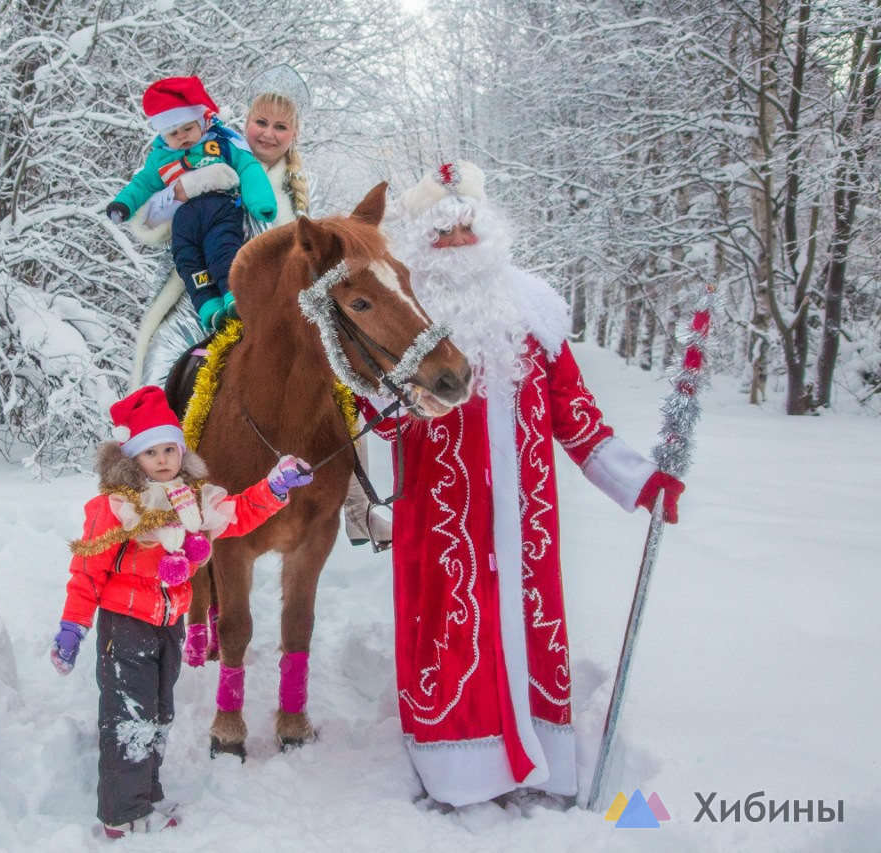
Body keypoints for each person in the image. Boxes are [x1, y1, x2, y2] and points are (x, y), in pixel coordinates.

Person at [366, 162, 686, 809]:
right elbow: (372, 408)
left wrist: (640, 482)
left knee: (525, 631)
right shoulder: (405, 314)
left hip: (523, 522)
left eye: (465, 229)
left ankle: (538, 758)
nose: (457, 242)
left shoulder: (532, 309)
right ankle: (458, 773)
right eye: (442, 233)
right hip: (442, 520)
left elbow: (574, 411)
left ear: (487, 232)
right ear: (421, 243)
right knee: (451, 637)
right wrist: (400, 406)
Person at [123, 66, 390, 554]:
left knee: (335, 386)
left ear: (294, 135)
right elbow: (145, 221)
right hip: (199, 298)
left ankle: (359, 506)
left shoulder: (294, 191)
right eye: (260, 122)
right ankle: (154, 513)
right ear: (244, 121)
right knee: (157, 387)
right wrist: (186, 188)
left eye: (280, 127)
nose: (268, 134)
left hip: (271, 312)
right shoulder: (201, 149)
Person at [49, 385, 311, 838]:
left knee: (156, 713)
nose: (164, 459)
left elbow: (239, 512)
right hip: (124, 627)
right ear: (132, 459)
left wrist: (274, 485)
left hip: (168, 625)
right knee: (127, 719)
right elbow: (86, 571)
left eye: (170, 448)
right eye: (152, 452)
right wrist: (73, 627)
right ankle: (120, 815)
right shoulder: (115, 508)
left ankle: (145, 795)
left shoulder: (193, 501)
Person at [106, 76, 278, 334]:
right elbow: (142, 185)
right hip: (183, 220)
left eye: (188, 128)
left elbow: (248, 167)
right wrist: (123, 205)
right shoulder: (160, 159)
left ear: (201, 121)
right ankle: (209, 308)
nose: (182, 137)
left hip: (219, 209)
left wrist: (260, 202)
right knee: (188, 261)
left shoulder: (220, 144)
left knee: (223, 250)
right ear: (164, 135)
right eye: (174, 133)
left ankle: (235, 296)